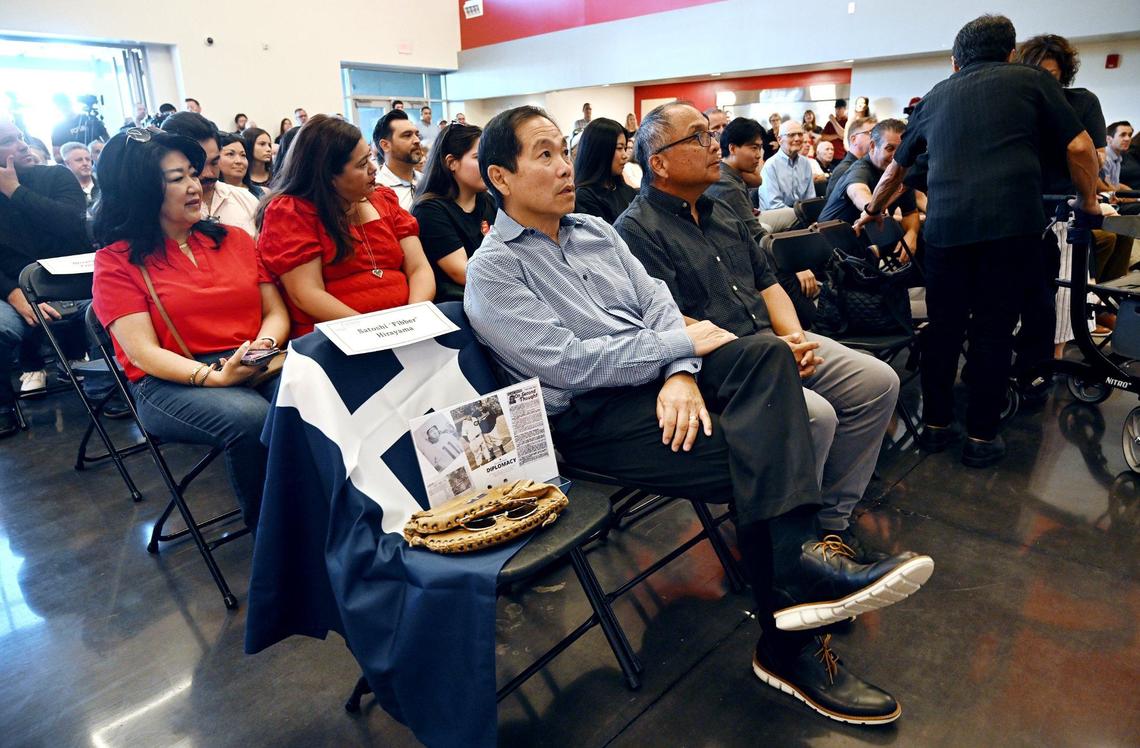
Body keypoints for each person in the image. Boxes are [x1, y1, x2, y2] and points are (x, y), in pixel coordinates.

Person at [466, 105, 934, 726]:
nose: (564, 167)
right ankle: (793, 626)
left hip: (659, 376)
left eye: (562, 151)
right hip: (591, 419)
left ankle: (798, 584)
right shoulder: (493, 270)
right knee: (765, 449)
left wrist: (679, 372)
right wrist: (679, 351)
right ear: (500, 177)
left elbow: (658, 302)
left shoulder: (594, 231)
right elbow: (571, 365)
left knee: (767, 355)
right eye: (544, 154)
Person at [617, 100, 904, 556]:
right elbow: (668, 320)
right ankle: (791, 545)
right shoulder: (635, 231)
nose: (714, 145)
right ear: (659, 163)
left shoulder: (721, 209)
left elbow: (767, 283)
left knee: (878, 382)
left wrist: (794, 339)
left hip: (772, 339)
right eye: (698, 137)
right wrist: (769, 353)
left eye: (711, 134)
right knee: (816, 415)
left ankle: (830, 521)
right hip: (725, 364)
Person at [857, 14, 1102, 468]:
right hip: (1009, 230)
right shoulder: (1031, 80)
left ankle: (935, 427)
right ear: (1010, 53)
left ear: (955, 61)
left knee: (943, 328)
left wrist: (872, 208)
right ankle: (981, 437)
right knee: (993, 331)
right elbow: (1081, 147)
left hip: (946, 233)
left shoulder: (935, 95)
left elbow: (897, 169)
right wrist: (1089, 201)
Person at [91, 128, 289, 527]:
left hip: (250, 358)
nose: (195, 186)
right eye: (176, 178)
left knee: (312, 395)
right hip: (169, 380)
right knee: (252, 419)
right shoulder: (117, 261)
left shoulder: (234, 239)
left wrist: (260, 348)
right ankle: (277, 540)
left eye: (193, 174)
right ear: (141, 191)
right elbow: (143, 353)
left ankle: (328, 518)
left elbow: (275, 312)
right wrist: (214, 377)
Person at [257, 114, 434, 337]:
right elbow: (306, 294)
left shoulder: (383, 199)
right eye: (362, 164)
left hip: (404, 329)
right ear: (328, 175)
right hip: (337, 337)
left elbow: (419, 268)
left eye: (369, 158)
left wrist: (413, 319)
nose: (373, 169)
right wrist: (376, 332)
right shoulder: (291, 212)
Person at [0, 119, 92, 434]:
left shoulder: (57, 176)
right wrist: (14, 293)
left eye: (21, 136)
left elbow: (71, 225)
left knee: (107, 309)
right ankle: (3, 405)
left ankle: (105, 386)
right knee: (1, 327)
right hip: (12, 291)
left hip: (71, 283)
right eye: (9, 141)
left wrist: (15, 191)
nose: (23, 145)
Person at [411, 121, 496, 302]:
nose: (488, 165)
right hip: (460, 302)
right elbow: (462, 273)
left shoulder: (488, 201)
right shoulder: (429, 210)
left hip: (493, 294)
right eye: (478, 157)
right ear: (451, 163)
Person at [819, 119, 920, 252]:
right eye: (889, 148)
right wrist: (871, 208)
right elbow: (857, 190)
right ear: (872, 146)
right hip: (832, 244)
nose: (896, 156)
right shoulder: (859, 169)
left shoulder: (901, 171)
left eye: (901, 150)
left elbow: (910, 212)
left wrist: (912, 233)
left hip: (866, 240)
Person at [162, 112, 259, 237]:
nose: (209, 174)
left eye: (214, 162)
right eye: (197, 166)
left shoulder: (245, 199)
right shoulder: (164, 217)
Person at [706, 116, 767, 242]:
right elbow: (756, 235)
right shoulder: (726, 184)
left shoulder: (733, 174)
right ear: (732, 148)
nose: (758, 155)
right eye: (754, 148)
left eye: (760, 148)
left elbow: (758, 180)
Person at [572, 118, 637, 224]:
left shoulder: (621, 187)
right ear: (600, 151)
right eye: (619, 148)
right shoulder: (585, 197)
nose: (625, 155)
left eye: (625, 148)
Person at [757, 121, 813, 231]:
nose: (797, 138)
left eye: (800, 134)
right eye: (791, 135)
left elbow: (810, 199)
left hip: (802, 219)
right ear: (779, 140)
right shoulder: (770, 165)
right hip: (777, 223)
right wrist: (804, 217)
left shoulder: (805, 163)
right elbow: (773, 205)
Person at [373, 109, 424, 211]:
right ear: (385, 145)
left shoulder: (426, 181)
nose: (417, 140)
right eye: (407, 135)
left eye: (417, 135)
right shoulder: (377, 191)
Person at [824, 116, 877, 199]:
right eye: (871, 133)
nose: (877, 138)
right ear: (853, 139)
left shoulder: (869, 166)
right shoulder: (844, 170)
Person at [50, 94, 109, 161]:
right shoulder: (57, 129)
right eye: (60, 105)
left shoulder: (90, 119)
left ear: (71, 103)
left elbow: (108, 142)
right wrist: (73, 154)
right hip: (76, 165)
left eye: (66, 103)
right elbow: (56, 156)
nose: (64, 107)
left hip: (98, 161)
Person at [60, 141, 99, 210]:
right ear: (67, 164)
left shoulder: (104, 185)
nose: (85, 163)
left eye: (88, 159)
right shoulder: (63, 192)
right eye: (79, 160)